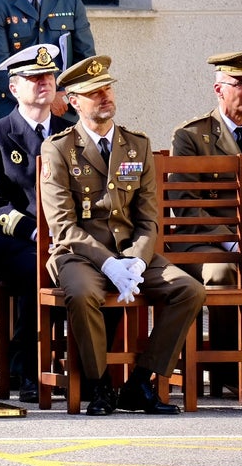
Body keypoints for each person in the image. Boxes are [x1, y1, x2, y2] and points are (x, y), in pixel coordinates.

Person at [39, 55, 205, 415]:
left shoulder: (137, 144)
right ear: (73, 101)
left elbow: (149, 217)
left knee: (188, 289)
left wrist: (136, 259)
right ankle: (99, 386)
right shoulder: (59, 148)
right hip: (79, 255)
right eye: (92, 92)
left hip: (132, 253)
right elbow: (63, 225)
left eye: (107, 88)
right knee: (82, 295)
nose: (104, 96)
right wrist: (110, 263)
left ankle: (140, 382)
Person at [171, 49, 242, 396]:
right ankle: (227, 373)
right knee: (224, 272)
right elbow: (186, 206)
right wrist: (233, 244)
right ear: (219, 88)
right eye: (240, 83)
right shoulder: (191, 136)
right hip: (206, 240)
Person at [0, 43, 74, 403]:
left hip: (66, 239)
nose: (43, 83)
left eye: (48, 76)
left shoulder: (70, 133)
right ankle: (29, 369)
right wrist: (36, 233)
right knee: (38, 269)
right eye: (33, 78)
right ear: (13, 88)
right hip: (11, 241)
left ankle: (92, 372)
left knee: (100, 265)